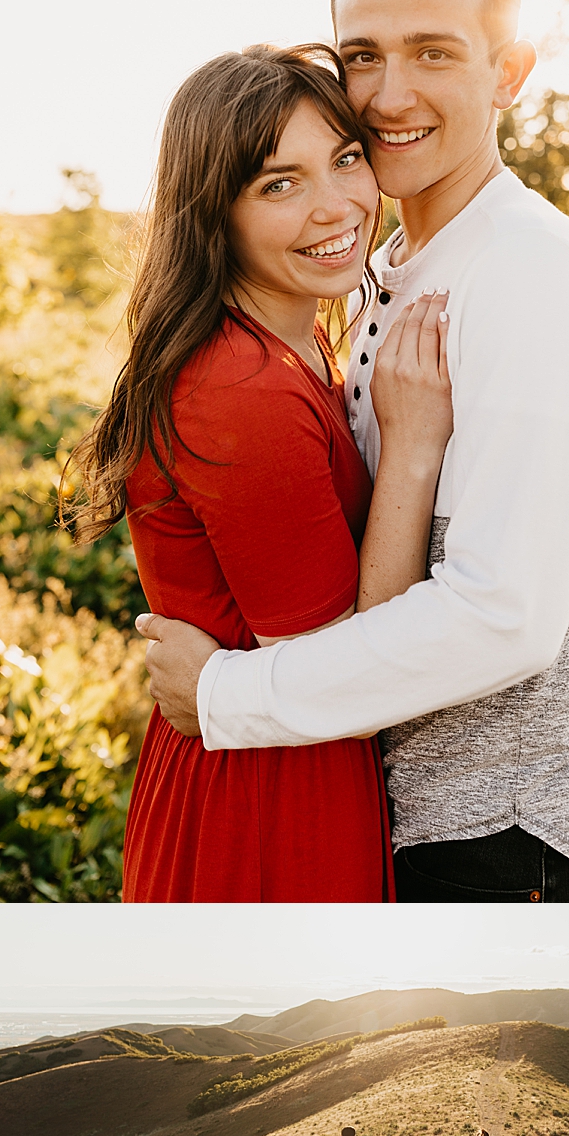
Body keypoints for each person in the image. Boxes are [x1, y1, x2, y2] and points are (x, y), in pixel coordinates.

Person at [138, 0, 569, 903]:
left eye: (433, 53)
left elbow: (505, 618)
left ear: (509, 72)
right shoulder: (379, 270)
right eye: (364, 55)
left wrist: (224, 693)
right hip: (408, 826)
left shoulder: (528, 271)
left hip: (514, 838)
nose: (387, 94)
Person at [70, 44, 454, 900]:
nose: (336, 205)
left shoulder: (295, 342)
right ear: (218, 214)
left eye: (346, 158)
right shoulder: (241, 385)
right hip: (269, 797)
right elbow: (346, 658)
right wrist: (415, 444)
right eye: (279, 184)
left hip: (275, 758)